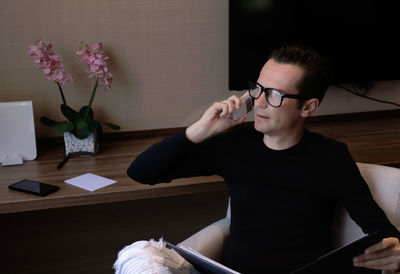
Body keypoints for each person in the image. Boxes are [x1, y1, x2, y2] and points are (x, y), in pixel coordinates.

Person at [127, 43, 400, 273]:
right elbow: (142, 172)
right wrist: (202, 129)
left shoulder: (330, 156)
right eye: (257, 88)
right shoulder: (235, 145)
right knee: (140, 255)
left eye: (274, 95)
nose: (258, 102)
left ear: (308, 106)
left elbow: (379, 228)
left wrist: (396, 249)